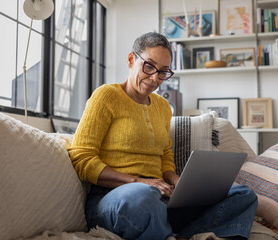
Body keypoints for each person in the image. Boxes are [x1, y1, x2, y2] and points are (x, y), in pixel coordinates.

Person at [68, 32, 258, 240]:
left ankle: (183, 235)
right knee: (143, 196)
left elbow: (165, 155)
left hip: (159, 197)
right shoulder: (106, 96)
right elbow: (82, 158)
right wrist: (138, 181)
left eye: (163, 72)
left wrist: (178, 181)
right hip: (114, 199)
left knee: (243, 194)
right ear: (131, 59)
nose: (154, 78)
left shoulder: (162, 107)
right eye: (149, 66)